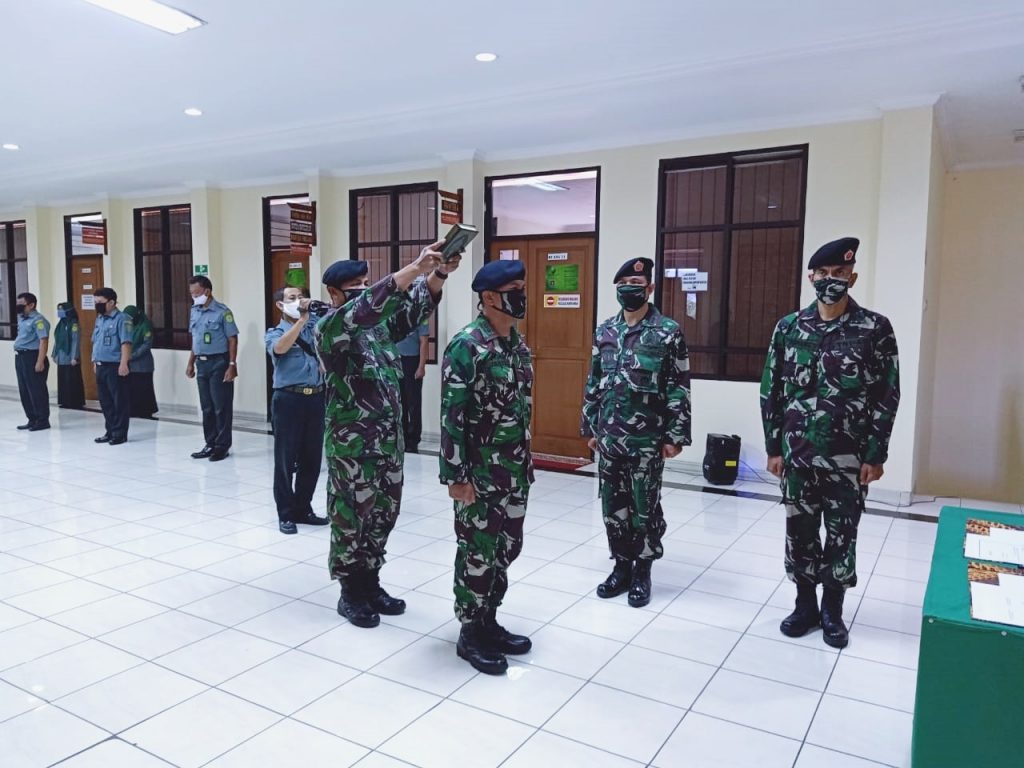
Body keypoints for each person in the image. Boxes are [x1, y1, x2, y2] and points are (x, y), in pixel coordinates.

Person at [760, 236, 900, 649]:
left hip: (848, 458)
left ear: (852, 278)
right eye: (823, 273)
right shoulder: (789, 328)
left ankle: (832, 611)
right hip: (798, 454)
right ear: (811, 278)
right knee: (800, 532)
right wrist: (773, 448)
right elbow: (771, 391)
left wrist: (876, 454)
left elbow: (887, 394)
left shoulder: (874, 328)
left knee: (842, 534)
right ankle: (804, 606)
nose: (830, 280)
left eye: (839, 273)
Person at [316, 244, 459, 629]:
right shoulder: (330, 328)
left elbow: (412, 311)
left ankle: (371, 581)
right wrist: (414, 267)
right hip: (352, 450)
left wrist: (438, 274)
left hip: (387, 446)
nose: (364, 290)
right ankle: (350, 591)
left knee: (382, 516)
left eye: (367, 282)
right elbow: (365, 308)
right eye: (355, 285)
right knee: (351, 519)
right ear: (334, 293)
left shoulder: (377, 331)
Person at [440, 259, 535, 675]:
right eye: (515, 290)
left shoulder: (516, 346)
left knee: (506, 549)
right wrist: (455, 476)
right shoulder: (466, 346)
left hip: (514, 470)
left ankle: (489, 620)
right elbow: (452, 416)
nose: (522, 296)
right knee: (477, 552)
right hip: (479, 476)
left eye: (522, 288)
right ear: (490, 297)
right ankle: (470, 631)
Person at [581, 258, 692, 609]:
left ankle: (643, 570)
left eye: (636, 283)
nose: (630, 289)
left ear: (650, 288)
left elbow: (678, 385)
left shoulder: (667, 331)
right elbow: (594, 380)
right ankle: (621, 566)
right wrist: (590, 425)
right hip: (609, 435)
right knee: (613, 506)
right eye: (624, 283)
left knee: (645, 506)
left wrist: (675, 434)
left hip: (647, 438)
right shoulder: (605, 330)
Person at [265, 286, 328, 535]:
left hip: (316, 398)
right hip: (288, 400)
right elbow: (279, 349)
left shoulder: (315, 326)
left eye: (301, 297)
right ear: (280, 305)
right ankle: (286, 514)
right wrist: (301, 320)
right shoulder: (275, 332)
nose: (299, 301)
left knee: (311, 459)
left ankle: (303, 509)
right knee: (285, 459)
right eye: (292, 298)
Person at [185, 276, 238, 462]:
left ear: (207, 291)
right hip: (201, 363)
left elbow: (232, 339)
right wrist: (190, 362)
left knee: (221, 407)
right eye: (191, 293)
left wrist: (232, 364)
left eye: (196, 293)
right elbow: (195, 340)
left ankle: (222, 446)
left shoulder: (223, 312)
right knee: (207, 407)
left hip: (219, 362)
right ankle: (210, 443)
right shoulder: (195, 311)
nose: (193, 297)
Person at [91, 287, 133, 445]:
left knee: (119, 401)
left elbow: (126, 343)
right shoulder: (100, 318)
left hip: (115, 365)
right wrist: (95, 361)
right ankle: (110, 431)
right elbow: (96, 341)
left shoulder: (123, 319)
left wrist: (124, 363)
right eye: (95, 302)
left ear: (111, 302)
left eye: (100, 302)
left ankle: (120, 433)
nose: (97, 305)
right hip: (101, 364)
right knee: (105, 401)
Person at [13, 292, 51, 431]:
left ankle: (42, 420)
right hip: (21, 357)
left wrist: (40, 361)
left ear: (31, 305)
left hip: (33, 357)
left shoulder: (38, 320)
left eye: (21, 304)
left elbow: (43, 341)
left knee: (36, 390)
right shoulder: (22, 318)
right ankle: (32, 419)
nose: (18, 306)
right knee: (24, 390)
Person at [397, 319, 430, 453]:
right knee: (400, 402)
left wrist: (421, 366)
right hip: (396, 360)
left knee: (414, 403)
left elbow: (424, 342)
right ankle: (402, 437)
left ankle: (413, 439)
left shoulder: (421, 317)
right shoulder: (395, 314)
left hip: (412, 361)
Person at [123, 305, 158, 419]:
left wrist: (131, 355)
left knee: (144, 388)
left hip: (143, 364)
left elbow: (146, 345)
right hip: (130, 364)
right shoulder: (127, 326)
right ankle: (133, 410)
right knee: (132, 388)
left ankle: (145, 411)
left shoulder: (146, 326)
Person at [52, 302, 85, 410]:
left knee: (72, 379)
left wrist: (74, 357)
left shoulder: (74, 324)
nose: (59, 312)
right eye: (58, 309)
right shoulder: (61, 324)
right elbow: (57, 340)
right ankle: (64, 401)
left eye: (61, 310)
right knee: (63, 379)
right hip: (61, 356)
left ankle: (75, 402)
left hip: (70, 357)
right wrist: (54, 354)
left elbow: (75, 340)